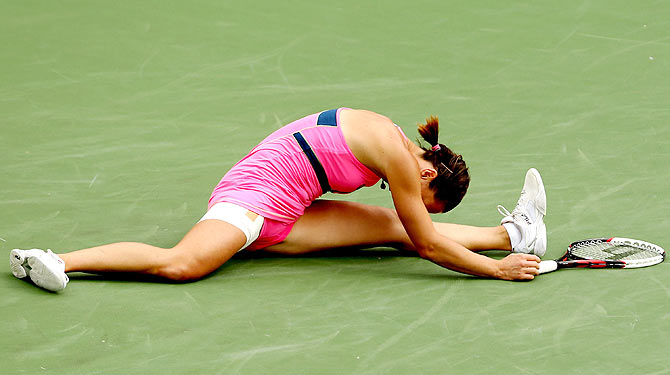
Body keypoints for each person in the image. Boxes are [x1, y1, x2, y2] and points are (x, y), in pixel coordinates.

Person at [10, 108, 546, 292]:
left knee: (389, 227)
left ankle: (514, 234)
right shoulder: (398, 156)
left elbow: (412, 231)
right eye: (424, 199)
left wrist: (498, 253)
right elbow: (426, 244)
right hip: (255, 198)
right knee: (182, 264)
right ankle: (57, 261)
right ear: (426, 172)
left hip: (291, 209)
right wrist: (493, 274)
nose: (411, 202)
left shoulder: (389, 136)